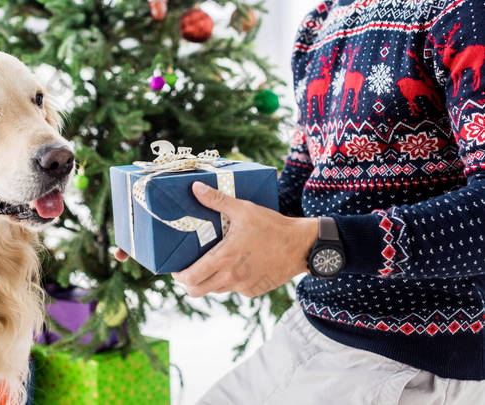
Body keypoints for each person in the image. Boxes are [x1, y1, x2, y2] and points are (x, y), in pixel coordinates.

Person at [117, 0, 485, 403]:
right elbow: (301, 182)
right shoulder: (322, 21)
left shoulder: (462, 13)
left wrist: (313, 246)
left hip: (412, 361)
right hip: (316, 325)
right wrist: (177, 218)